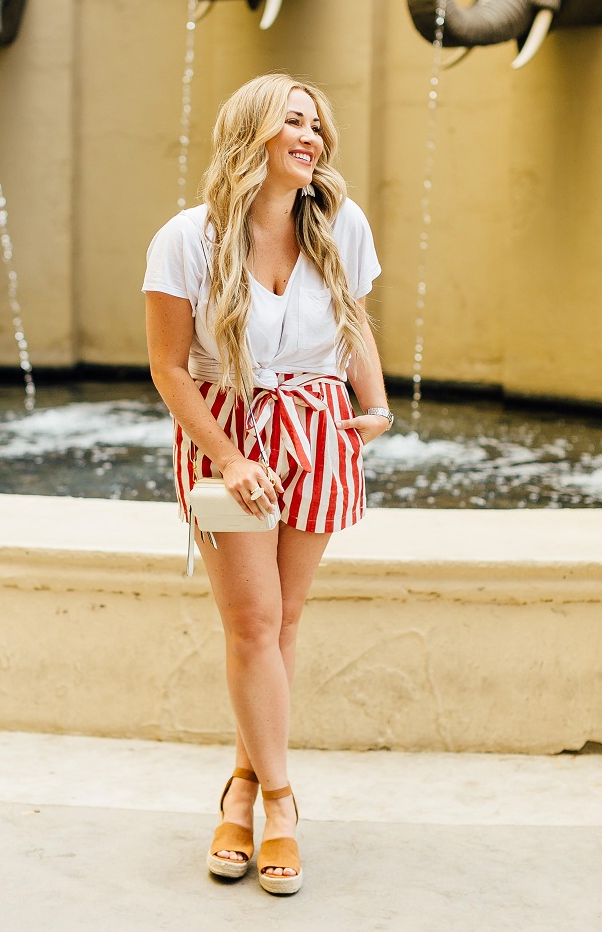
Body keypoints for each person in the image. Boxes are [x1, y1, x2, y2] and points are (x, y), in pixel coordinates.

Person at [142, 72, 392, 895]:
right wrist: (228, 458)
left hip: (317, 427)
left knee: (284, 620)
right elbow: (170, 369)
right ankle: (282, 803)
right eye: (294, 121)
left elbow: (353, 320)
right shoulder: (186, 237)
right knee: (251, 623)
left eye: (317, 124)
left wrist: (376, 402)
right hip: (229, 431)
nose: (311, 136)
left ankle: (242, 787)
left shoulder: (338, 223)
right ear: (253, 131)